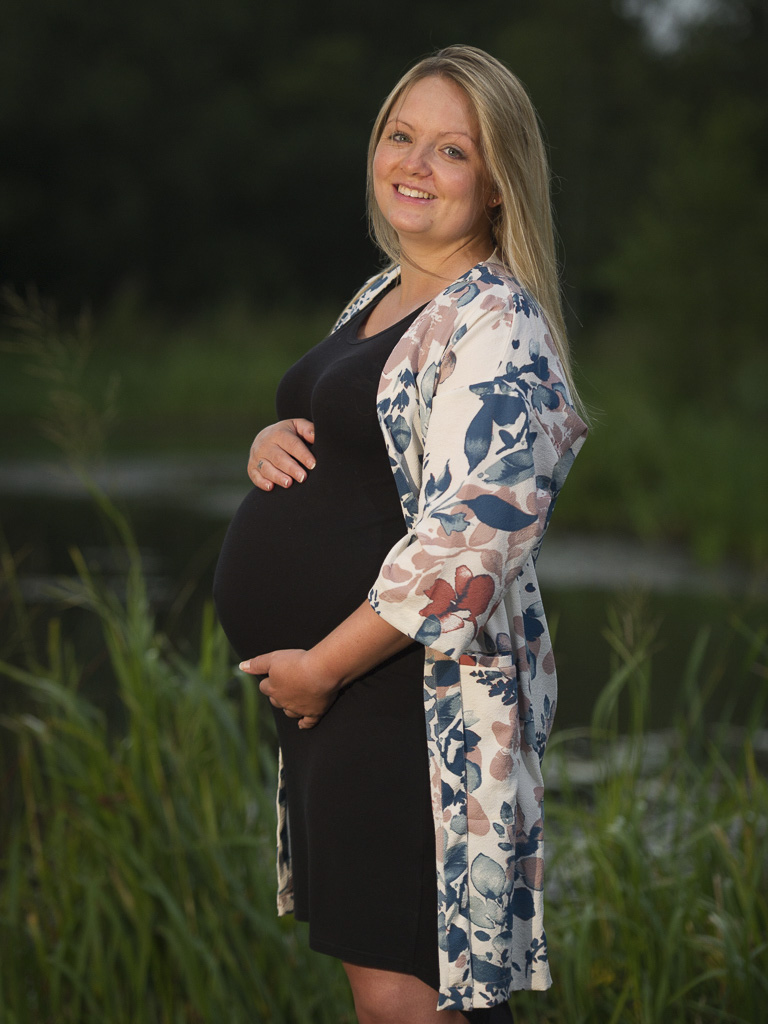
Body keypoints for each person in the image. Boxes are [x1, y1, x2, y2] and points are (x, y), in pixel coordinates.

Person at [213, 44, 588, 1024]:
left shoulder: (499, 320)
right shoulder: (386, 290)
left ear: (499, 181)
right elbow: (361, 440)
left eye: (451, 150)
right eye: (400, 135)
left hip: (412, 696)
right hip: (351, 697)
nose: (414, 164)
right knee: (395, 987)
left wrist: (323, 668)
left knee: (411, 996)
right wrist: (271, 439)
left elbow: (473, 538)